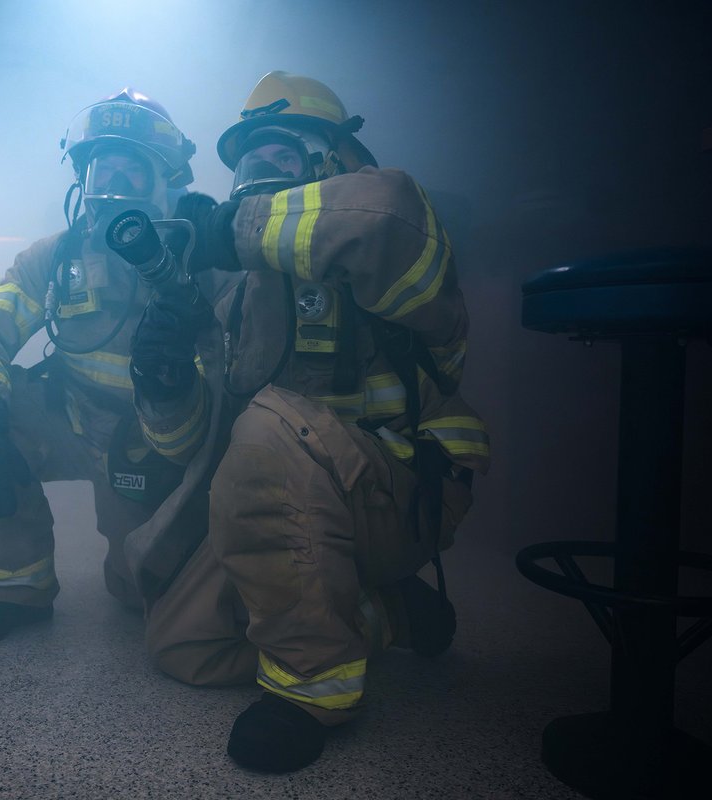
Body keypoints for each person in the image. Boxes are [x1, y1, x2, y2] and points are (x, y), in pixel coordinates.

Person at [125, 71, 491, 773]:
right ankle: (388, 614)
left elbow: (378, 222)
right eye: (248, 165)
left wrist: (225, 228)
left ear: (335, 162)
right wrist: (163, 382)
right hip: (294, 507)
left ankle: (313, 688)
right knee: (183, 645)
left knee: (266, 426)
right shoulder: (239, 299)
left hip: (406, 493)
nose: (260, 176)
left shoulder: (398, 227)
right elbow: (188, 446)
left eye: (282, 156)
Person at [0, 89, 201, 648]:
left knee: (140, 590)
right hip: (71, 415)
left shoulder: (202, 256)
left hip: (157, 441)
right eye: (103, 168)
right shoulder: (56, 258)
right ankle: (11, 591)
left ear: (168, 179)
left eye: (134, 169)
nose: (115, 183)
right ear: (81, 177)